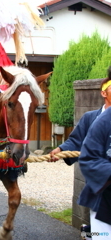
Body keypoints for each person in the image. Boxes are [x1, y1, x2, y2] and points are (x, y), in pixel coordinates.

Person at [50, 67, 111, 240]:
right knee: (104, 231)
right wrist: (61, 149)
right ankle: (92, 232)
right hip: (101, 185)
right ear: (103, 93)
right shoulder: (92, 118)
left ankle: (88, 231)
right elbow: (76, 140)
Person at [78, 102, 111, 240]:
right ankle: (89, 233)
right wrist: (61, 149)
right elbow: (87, 157)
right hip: (106, 203)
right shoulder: (100, 119)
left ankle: (88, 232)